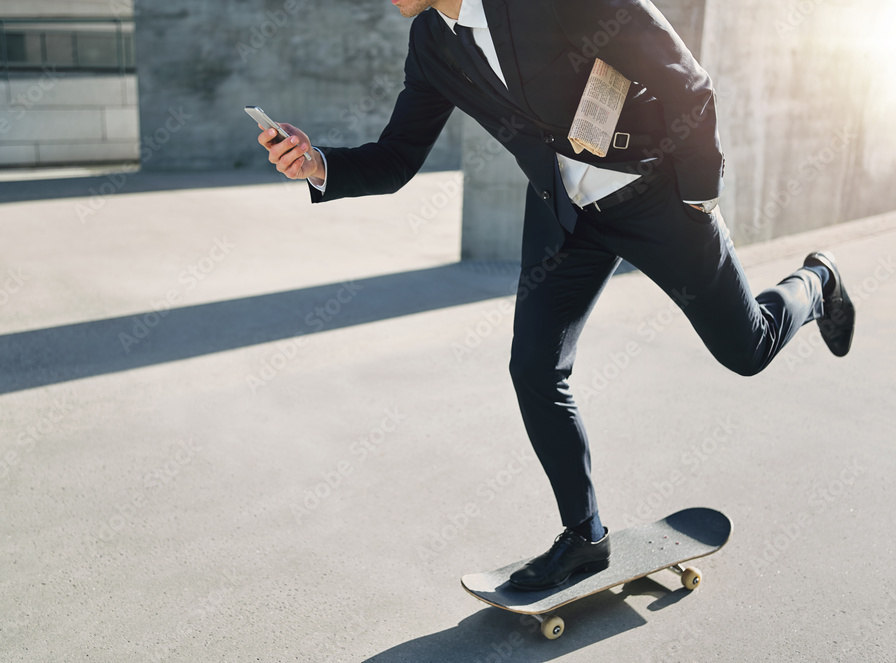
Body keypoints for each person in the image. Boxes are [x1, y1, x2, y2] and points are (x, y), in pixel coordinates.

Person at [256, 0, 855, 591]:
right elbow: (396, 158)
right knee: (535, 368)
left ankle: (817, 280)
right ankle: (585, 536)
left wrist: (698, 198)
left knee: (746, 349)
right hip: (565, 216)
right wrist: (315, 164)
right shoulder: (433, 42)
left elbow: (687, 82)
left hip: (656, 195)